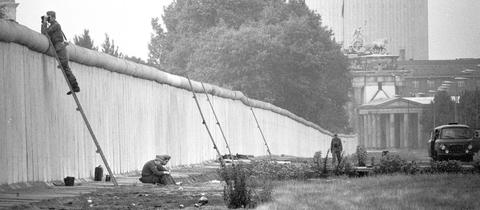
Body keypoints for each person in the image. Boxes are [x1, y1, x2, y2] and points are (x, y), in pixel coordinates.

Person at [41, 11, 80, 95]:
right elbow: (43, 33)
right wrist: (43, 23)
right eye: (47, 17)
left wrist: (44, 23)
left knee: (65, 68)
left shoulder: (56, 25)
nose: (48, 19)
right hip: (59, 48)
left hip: (60, 48)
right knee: (65, 68)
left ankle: (75, 87)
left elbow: (46, 32)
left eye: (49, 17)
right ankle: (74, 87)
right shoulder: (52, 25)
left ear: (54, 17)